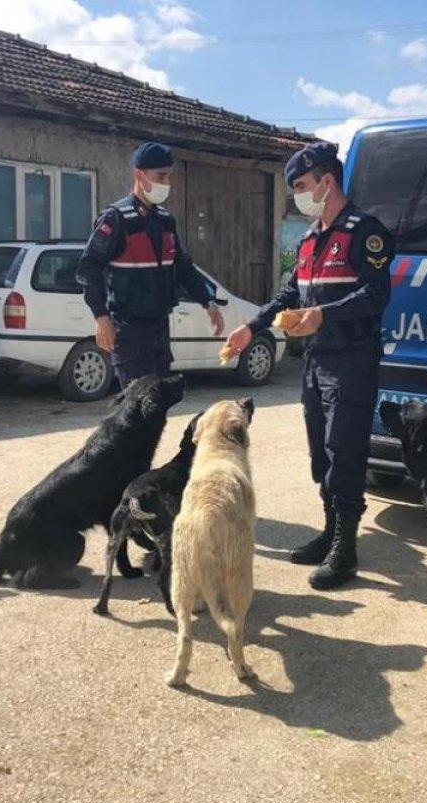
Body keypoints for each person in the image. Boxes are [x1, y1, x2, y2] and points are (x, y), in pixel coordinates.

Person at [223, 140, 394, 589]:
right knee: (321, 454)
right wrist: (251, 328)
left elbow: (376, 295)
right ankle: (330, 532)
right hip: (317, 362)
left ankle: (346, 550)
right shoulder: (310, 239)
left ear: (326, 181)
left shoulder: (365, 232)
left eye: (301, 185)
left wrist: (324, 314)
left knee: (345, 453)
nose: (297, 195)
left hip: (352, 361)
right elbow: (288, 297)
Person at [77, 142, 225, 387]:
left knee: (158, 410)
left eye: (168, 176)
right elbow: (89, 268)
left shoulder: (166, 221)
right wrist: (101, 317)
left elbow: (184, 268)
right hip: (129, 331)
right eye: (161, 176)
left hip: (160, 329)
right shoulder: (116, 219)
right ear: (139, 175)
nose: (166, 183)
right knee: (139, 411)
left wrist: (207, 301)